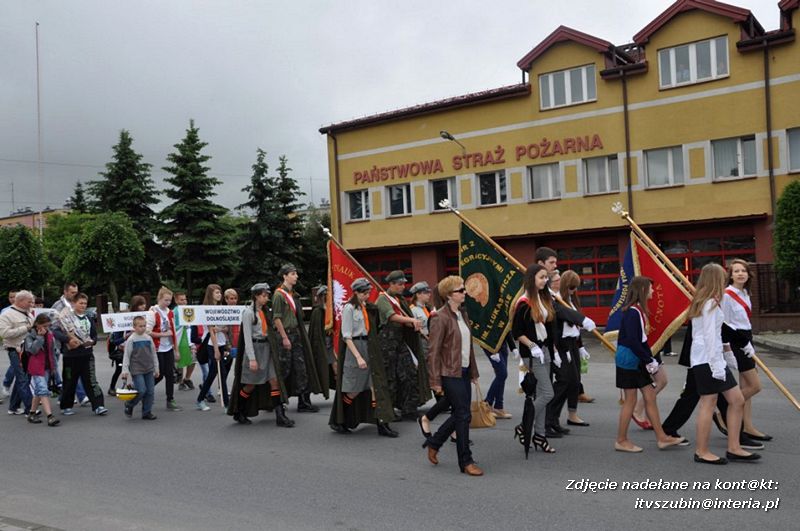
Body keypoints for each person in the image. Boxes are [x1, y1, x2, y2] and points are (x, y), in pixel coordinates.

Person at [689, 263, 760, 464]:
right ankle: (701, 451)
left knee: (737, 400)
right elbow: (711, 337)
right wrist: (717, 365)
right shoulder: (709, 303)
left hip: (713, 359)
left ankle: (734, 447)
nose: (725, 280)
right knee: (708, 403)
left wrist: (729, 354)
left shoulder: (709, 302)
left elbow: (720, 333)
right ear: (715, 280)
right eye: (722, 277)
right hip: (707, 361)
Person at [614, 276, 684, 453]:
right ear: (643, 290)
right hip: (630, 361)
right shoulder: (632, 312)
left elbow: (641, 341)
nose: (653, 291)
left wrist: (649, 358)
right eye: (650, 288)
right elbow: (632, 340)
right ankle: (621, 440)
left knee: (650, 396)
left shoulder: (638, 310)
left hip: (636, 359)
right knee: (630, 400)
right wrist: (648, 360)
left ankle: (661, 438)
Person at [424, 276, 482, 476]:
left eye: (464, 289)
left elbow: (469, 348)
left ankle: (434, 442)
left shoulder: (462, 314)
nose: (464, 293)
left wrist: (473, 372)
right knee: (464, 415)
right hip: (449, 373)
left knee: (460, 414)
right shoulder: (440, 317)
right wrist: (435, 382)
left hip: (464, 371)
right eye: (460, 290)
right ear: (449, 295)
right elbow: (433, 352)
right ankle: (466, 461)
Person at [329, 278, 397, 436]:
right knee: (354, 390)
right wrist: (358, 357)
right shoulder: (349, 308)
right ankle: (341, 419)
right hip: (355, 349)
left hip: (370, 348)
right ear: (356, 293)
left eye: (368, 293)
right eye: (364, 293)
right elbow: (347, 336)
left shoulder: (367, 308)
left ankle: (382, 425)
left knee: (375, 386)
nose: (367, 296)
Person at [227, 283, 294, 427]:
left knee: (274, 381)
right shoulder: (248, 313)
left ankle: (280, 416)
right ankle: (240, 411)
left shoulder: (264, 311)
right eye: (264, 296)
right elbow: (246, 338)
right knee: (250, 385)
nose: (266, 298)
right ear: (256, 296)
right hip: (255, 350)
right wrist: (252, 359)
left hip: (267, 349)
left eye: (267, 295)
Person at [718, 259, 769, 442]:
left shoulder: (746, 292)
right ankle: (724, 409)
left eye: (743, 271)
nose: (740, 273)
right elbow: (724, 324)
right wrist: (728, 349)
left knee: (745, 386)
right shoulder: (727, 294)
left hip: (747, 338)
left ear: (748, 274)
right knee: (755, 386)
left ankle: (747, 426)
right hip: (737, 341)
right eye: (736, 271)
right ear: (730, 275)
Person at [512, 265, 557, 453]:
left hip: (545, 350)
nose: (545, 280)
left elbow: (550, 327)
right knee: (548, 394)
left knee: (541, 396)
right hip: (532, 353)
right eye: (541, 277)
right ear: (532, 279)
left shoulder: (543, 298)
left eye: (546, 277)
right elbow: (517, 332)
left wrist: (555, 351)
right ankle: (524, 425)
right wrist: (532, 346)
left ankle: (539, 436)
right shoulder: (524, 303)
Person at [272, 264, 327, 413]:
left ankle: (303, 401)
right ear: (285, 276)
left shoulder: (293, 295)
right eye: (293, 274)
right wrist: (284, 338)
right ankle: (276, 401)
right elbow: (276, 319)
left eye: (296, 273)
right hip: (285, 335)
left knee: (302, 368)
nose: (296, 276)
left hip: (296, 334)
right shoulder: (278, 295)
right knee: (284, 370)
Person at [376, 270, 426, 420]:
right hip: (387, 343)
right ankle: (389, 410)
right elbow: (391, 316)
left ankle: (409, 408)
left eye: (404, 283)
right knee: (390, 377)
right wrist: (411, 321)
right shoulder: (383, 299)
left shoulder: (400, 299)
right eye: (399, 284)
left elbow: (406, 316)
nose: (402, 286)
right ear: (391, 284)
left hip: (400, 342)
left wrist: (413, 324)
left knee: (409, 373)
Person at [54, 293, 107, 416]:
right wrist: (68, 340)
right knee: (69, 381)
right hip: (71, 356)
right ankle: (66, 406)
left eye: (85, 303)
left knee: (91, 380)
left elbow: (94, 335)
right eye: (80, 303)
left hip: (87, 354)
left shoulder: (88, 318)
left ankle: (98, 405)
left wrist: (92, 341)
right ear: (73, 303)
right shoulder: (66, 317)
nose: (83, 306)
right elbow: (56, 332)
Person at [556, 270, 592, 427]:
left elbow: (576, 328)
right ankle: (553, 415)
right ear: (565, 285)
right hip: (562, 344)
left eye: (576, 287)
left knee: (576, 380)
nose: (574, 290)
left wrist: (581, 346)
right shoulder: (558, 301)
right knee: (566, 381)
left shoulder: (571, 301)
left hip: (574, 343)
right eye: (571, 287)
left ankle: (572, 414)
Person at [146, 287, 181, 412]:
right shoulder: (152, 312)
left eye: (169, 300)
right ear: (159, 299)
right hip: (157, 348)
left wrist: (176, 350)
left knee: (170, 375)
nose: (167, 302)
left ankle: (170, 399)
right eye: (165, 300)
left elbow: (173, 333)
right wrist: (163, 334)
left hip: (168, 348)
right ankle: (145, 391)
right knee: (159, 374)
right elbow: (147, 331)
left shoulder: (170, 312)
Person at [196, 284, 230, 411]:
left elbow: (226, 328)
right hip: (211, 344)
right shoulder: (207, 309)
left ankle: (200, 399)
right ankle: (226, 404)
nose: (219, 294)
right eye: (217, 292)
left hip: (221, 343)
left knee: (212, 374)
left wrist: (220, 329)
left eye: (220, 292)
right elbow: (211, 331)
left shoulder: (221, 308)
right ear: (210, 294)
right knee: (221, 372)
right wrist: (216, 350)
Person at [0, 291, 34, 416]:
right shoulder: (7, 315)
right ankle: (30, 409)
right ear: (19, 301)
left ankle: (13, 407)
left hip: (28, 350)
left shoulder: (28, 313)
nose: (31, 304)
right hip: (16, 350)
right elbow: (4, 334)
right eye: (29, 301)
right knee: (23, 379)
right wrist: (26, 328)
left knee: (24, 379)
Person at [23, 314, 60, 426]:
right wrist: (39, 338)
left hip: (47, 367)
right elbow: (32, 350)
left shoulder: (49, 334)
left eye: (48, 326)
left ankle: (32, 413)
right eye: (44, 326)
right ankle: (50, 416)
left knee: (39, 391)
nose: (46, 328)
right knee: (43, 390)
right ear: (37, 324)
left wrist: (54, 367)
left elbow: (52, 352)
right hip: (36, 367)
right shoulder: (30, 335)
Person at [121, 315, 159, 420]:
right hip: (137, 369)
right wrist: (125, 370)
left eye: (144, 326)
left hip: (149, 368)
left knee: (150, 391)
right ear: (134, 327)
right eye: (140, 326)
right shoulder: (131, 339)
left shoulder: (148, 338)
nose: (143, 328)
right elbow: (126, 356)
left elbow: (153, 354)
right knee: (141, 390)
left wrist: (156, 368)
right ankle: (129, 404)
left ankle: (147, 412)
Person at [308, 285, 336, 390]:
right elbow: (315, 333)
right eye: (325, 295)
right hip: (323, 344)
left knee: (336, 367)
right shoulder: (317, 312)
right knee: (319, 369)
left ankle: (339, 393)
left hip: (332, 344)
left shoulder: (333, 309)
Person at [173, 291, 196, 391]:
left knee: (193, 359)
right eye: (181, 300)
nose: (184, 301)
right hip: (181, 338)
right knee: (181, 360)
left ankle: (187, 378)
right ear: (176, 300)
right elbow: (174, 326)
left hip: (190, 338)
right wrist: (182, 326)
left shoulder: (189, 310)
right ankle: (181, 380)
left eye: (185, 299)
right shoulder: (175, 311)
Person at [223, 288, 240, 377]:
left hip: (239, 342)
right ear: (226, 299)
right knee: (226, 368)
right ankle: (222, 388)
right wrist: (227, 345)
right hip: (229, 344)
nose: (234, 301)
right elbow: (223, 331)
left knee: (239, 370)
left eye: (235, 298)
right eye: (231, 298)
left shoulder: (240, 310)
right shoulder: (223, 312)